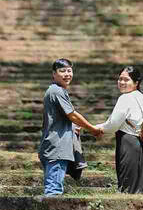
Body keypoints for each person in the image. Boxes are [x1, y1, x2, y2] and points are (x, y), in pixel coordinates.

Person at [38, 58, 102, 196]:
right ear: (54, 74)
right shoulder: (56, 91)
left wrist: (73, 127)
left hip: (57, 146)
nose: (67, 74)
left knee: (54, 188)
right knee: (53, 191)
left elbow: (64, 118)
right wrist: (92, 129)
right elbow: (72, 115)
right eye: (62, 71)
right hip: (57, 147)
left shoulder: (57, 90)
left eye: (69, 71)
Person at [97, 66, 143, 193]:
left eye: (126, 80)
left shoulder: (125, 98)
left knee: (128, 185)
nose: (122, 82)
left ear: (136, 83)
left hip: (130, 143)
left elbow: (113, 124)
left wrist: (97, 129)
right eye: (120, 79)